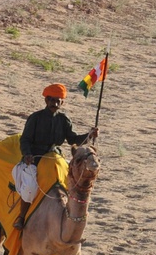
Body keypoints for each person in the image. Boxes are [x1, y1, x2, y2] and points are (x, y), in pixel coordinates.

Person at [13, 83, 98, 230]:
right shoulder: (35, 118)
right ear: (46, 100)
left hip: (55, 157)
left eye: (58, 101)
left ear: (62, 102)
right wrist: (27, 155)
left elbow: (73, 140)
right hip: (35, 158)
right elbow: (25, 139)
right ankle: (21, 217)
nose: (55, 103)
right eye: (52, 100)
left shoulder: (64, 120)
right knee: (30, 186)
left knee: (73, 180)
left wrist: (89, 135)